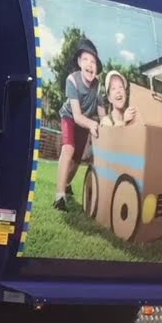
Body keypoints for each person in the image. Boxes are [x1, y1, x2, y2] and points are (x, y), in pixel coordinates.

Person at [54, 41, 104, 211]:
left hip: (86, 122)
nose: (90, 64)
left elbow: (102, 114)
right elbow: (76, 115)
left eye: (94, 62)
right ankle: (59, 196)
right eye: (86, 60)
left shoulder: (98, 87)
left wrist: (108, 126)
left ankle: (67, 184)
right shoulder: (72, 80)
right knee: (68, 149)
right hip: (70, 117)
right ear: (79, 63)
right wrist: (92, 123)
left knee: (76, 160)